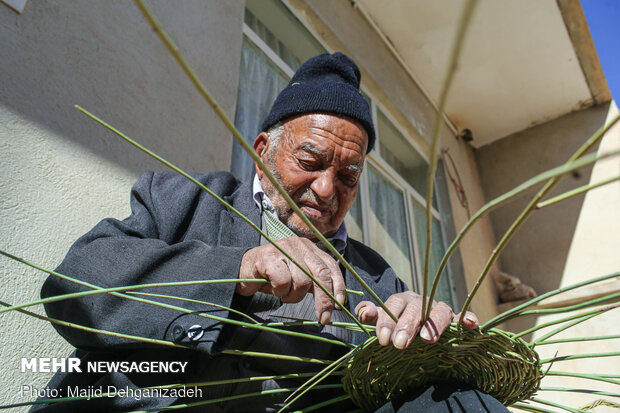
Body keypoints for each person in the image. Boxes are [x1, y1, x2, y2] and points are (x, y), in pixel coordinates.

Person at [37, 53, 508, 412]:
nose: (327, 189)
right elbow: (73, 286)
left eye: (348, 176)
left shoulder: (378, 278)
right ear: (263, 151)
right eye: (310, 162)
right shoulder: (185, 202)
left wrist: (430, 339)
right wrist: (237, 271)